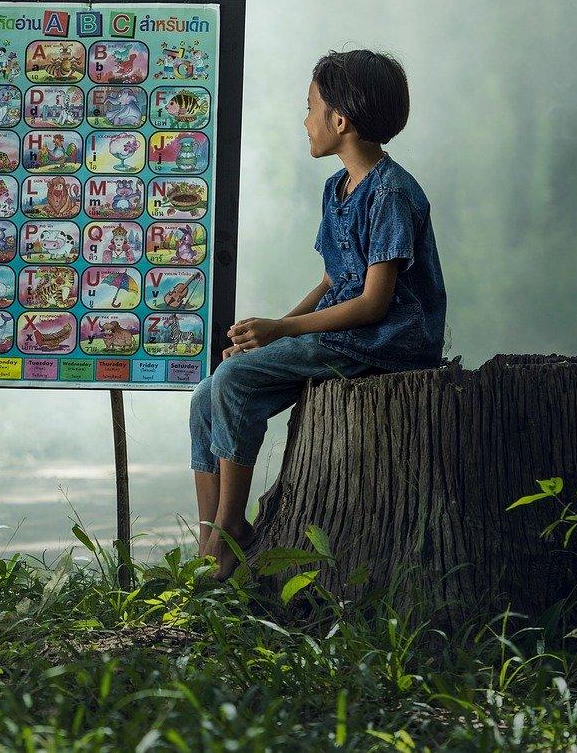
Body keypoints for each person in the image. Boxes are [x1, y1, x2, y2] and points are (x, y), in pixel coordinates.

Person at [188, 49, 446, 578]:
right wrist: (269, 334)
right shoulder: (337, 188)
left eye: (310, 108)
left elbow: (374, 303)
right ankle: (210, 533)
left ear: (340, 121)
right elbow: (334, 277)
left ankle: (232, 529)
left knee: (234, 381)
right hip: (343, 334)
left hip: (386, 341)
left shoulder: (391, 192)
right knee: (206, 391)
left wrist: (281, 330)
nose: (304, 122)